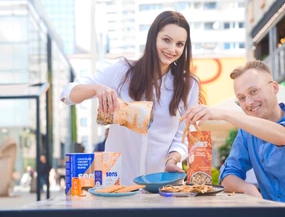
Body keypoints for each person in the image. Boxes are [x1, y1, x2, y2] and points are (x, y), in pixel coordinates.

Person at [60, 11, 205, 185]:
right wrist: (96, 88)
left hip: (162, 184)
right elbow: (67, 94)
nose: (172, 49)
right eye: (166, 40)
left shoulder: (188, 84)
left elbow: (183, 135)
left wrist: (172, 160)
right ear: (153, 38)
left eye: (180, 44)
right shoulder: (123, 71)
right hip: (118, 182)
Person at [182, 60, 285, 217]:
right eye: (241, 98)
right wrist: (247, 188)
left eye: (254, 91)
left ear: (274, 87)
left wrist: (226, 114)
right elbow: (228, 174)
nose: (248, 102)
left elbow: (284, 136)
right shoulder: (247, 133)